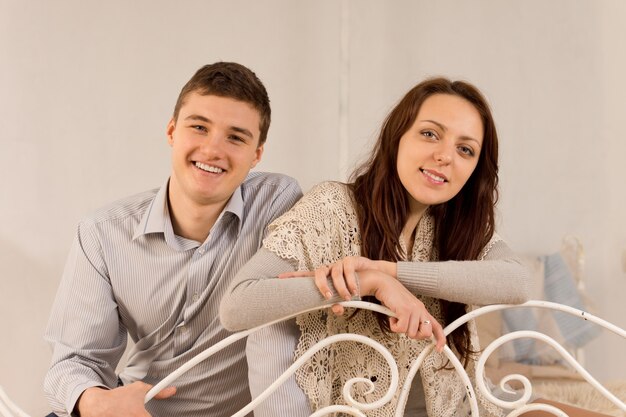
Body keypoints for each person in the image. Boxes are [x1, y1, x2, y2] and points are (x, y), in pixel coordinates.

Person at [220, 78, 610, 417]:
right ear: (397, 137)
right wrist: (366, 285)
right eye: (430, 133)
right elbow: (238, 305)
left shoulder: (456, 227)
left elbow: (516, 283)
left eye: (465, 149)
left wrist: (389, 272)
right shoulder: (332, 207)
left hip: (467, 404)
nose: (445, 156)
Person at [44, 62, 302, 417]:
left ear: (257, 153)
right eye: (199, 127)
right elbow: (73, 360)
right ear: (171, 131)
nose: (213, 150)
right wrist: (98, 402)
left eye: (236, 137)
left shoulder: (277, 203)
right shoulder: (103, 233)